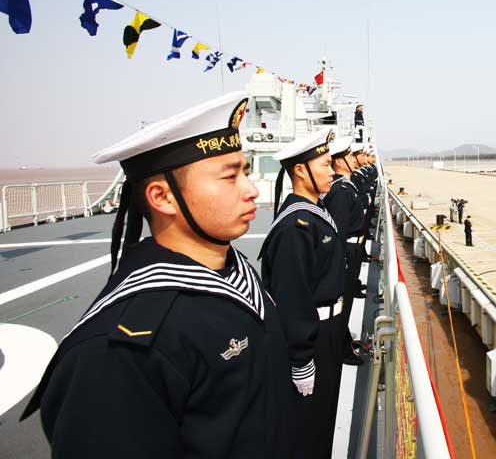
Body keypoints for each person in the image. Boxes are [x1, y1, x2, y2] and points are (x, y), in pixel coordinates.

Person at [21, 92, 298, 457]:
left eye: (245, 171)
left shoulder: (233, 269)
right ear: (162, 198)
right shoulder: (119, 353)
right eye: (231, 176)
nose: (251, 189)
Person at [259, 128, 347, 459]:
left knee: (325, 417)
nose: (333, 170)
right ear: (301, 170)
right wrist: (301, 360)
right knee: (308, 425)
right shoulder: (295, 228)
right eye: (325, 165)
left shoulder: (315, 214)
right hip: (312, 337)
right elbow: (293, 298)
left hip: (328, 329)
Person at [323, 136, 367, 367]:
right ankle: (342, 348)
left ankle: (346, 340)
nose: (355, 158)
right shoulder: (340, 191)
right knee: (344, 303)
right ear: (340, 163)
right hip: (347, 250)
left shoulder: (345, 186)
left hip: (353, 247)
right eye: (349, 156)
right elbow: (338, 233)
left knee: (347, 301)